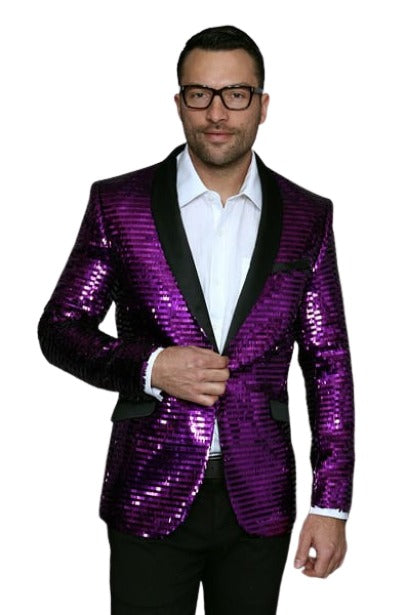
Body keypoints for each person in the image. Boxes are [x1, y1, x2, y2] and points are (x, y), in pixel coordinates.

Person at [37, 25, 355, 615]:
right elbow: (60, 328)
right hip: (148, 489)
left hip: (259, 496)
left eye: (236, 94)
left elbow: (328, 361)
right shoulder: (119, 204)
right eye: (199, 94)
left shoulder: (307, 216)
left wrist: (331, 503)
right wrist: (152, 366)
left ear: (262, 105)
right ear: (179, 102)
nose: (217, 112)